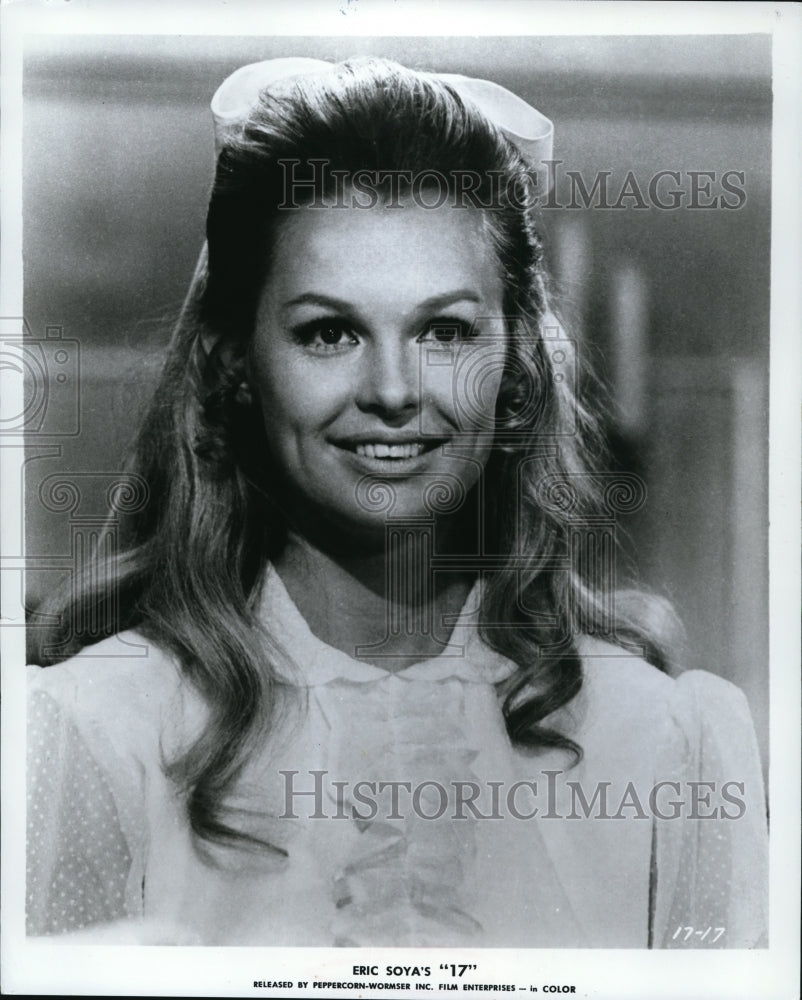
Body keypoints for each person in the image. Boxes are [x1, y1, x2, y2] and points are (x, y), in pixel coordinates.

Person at [26, 56, 767, 947]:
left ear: (516, 363)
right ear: (234, 363)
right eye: (329, 331)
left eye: (444, 331)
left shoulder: (663, 742)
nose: (391, 390)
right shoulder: (91, 733)